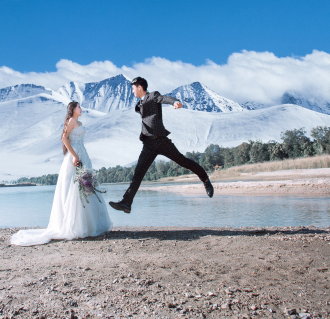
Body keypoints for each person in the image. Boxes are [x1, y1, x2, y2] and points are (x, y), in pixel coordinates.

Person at [11, 102, 112, 246]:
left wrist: (81, 155)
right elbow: (64, 138)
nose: (81, 109)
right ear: (73, 109)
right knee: (74, 188)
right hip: (74, 155)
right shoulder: (71, 121)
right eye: (78, 107)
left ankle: (90, 225)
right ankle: (76, 226)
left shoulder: (79, 121)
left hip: (83, 153)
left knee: (86, 186)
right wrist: (74, 156)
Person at [109, 77, 214, 214]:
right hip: (148, 144)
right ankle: (127, 202)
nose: (132, 91)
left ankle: (205, 179)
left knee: (183, 161)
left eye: (133, 88)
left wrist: (175, 102)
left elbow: (164, 98)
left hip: (161, 141)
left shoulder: (153, 96)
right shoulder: (139, 104)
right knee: (138, 174)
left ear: (140, 87)